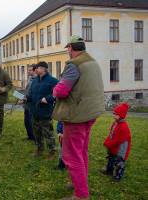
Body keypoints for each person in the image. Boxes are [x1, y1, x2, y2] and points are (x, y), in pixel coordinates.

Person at [52, 35, 105, 200]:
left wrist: (55, 89)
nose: (67, 51)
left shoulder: (74, 65)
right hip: (90, 113)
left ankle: (81, 195)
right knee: (81, 151)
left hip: (77, 115)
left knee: (72, 155)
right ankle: (79, 182)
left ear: (71, 48)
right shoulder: (93, 62)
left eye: (68, 48)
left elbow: (60, 91)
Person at [27, 61, 58, 159]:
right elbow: (31, 94)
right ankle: (39, 149)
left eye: (38, 68)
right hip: (34, 111)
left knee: (48, 133)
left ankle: (52, 151)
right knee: (36, 132)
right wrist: (27, 98)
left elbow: (56, 94)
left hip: (45, 111)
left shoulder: (53, 81)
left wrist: (48, 99)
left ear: (44, 69)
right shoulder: (35, 80)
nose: (36, 69)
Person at [102, 103, 131, 181]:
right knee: (111, 158)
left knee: (119, 162)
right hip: (113, 146)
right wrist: (107, 141)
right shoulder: (115, 123)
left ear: (121, 115)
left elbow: (118, 140)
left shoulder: (124, 127)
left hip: (121, 149)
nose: (114, 116)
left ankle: (118, 176)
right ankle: (109, 171)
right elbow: (111, 133)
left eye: (116, 114)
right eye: (114, 114)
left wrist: (109, 144)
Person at [23, 64, 37, 141]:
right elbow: (27, 90)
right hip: (26, 103)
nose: (28, 71)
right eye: (28, 70)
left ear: (35, 70)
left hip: (32, 104)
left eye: (30, 70)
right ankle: (30, 136)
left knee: (32, 122)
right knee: (26, 121)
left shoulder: (37, 80)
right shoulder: (30, 78)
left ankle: (35, 137)